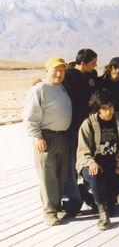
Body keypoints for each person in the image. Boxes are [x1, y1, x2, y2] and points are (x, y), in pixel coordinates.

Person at [24, 57, 73, 225]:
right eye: (55, 70)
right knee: (47, 176)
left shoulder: (61, 88)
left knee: (61, 174)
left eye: (62, 71)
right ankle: (49, 212)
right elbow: (30, 117)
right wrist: (37, 137)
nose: (59, 74)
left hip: (62, 137)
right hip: (46, 138)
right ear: (47, 71)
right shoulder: (39, 89)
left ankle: (57, 207)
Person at [76, 89, 119, 230]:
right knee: (95, 174)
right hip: (93, 165)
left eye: (110, 107)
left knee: (112, 207)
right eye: (104, 108)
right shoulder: (88, 124)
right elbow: (83, 151)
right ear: (98, 109)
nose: (108, 111)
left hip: (113, 165)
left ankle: (88, 195)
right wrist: (91, 162)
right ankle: (103, 215)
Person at [61, 48, 98, 213]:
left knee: (91, 158)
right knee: (73, 162)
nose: (95, 66)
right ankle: (72, 199)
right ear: (83, 63)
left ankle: (90, 192)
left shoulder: (92, 75)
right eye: (92, 63)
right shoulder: (68, 76)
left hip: (90, 125)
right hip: (74, 126)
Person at [98, 57, 119, 122]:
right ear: (110, 68)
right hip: (102, 118)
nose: (118, 70)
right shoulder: (99, 82)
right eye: (115, 67)